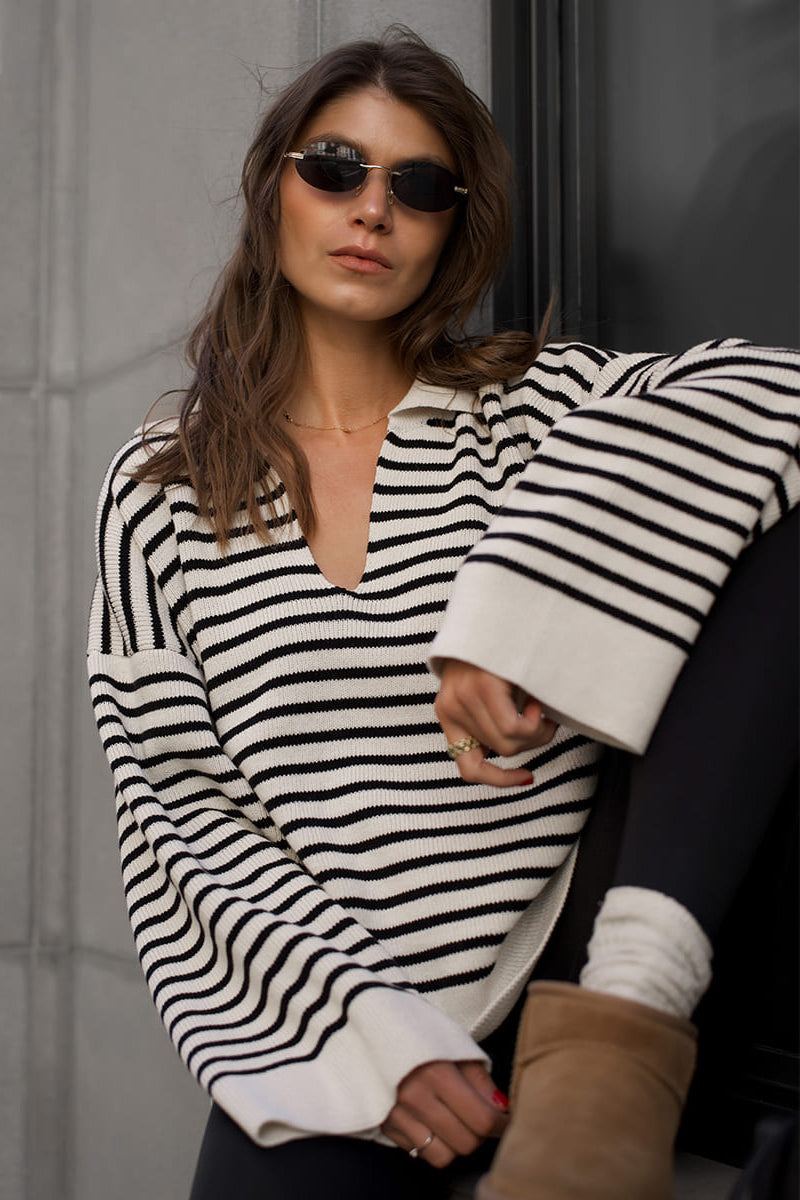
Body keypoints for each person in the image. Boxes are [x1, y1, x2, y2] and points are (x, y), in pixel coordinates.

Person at [87, 27, 799, 1200]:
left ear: (450, 230)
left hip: (562, 973)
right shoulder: (165, 484)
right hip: (337, 1014)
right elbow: (180, 810)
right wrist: (364, 1028)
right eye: (335, 168)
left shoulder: (533, 410)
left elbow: (778, 395)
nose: (372, 209)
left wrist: (512, 613)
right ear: (273, 188)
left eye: (418, 186)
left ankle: (625, 1023)